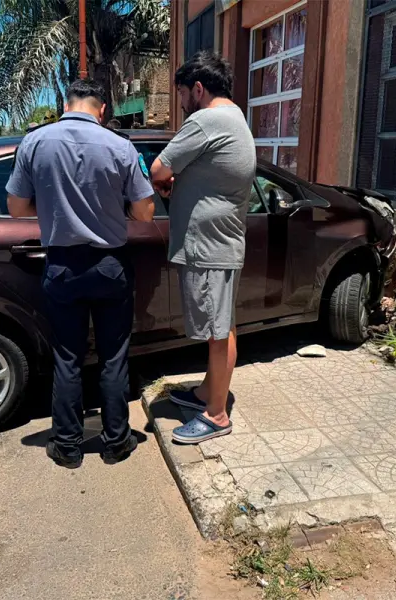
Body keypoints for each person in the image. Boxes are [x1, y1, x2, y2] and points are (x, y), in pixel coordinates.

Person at [6, 79, 156, 468]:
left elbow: (17, 209)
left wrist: (56, 203)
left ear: (65, 103)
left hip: (62, 266)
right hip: (110, 266)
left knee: (68, 358)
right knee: (113, 358)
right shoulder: (122, 147)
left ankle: (68, 446)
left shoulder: (35, 143)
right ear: (102, 109)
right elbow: (144, 213)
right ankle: (116, 442)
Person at [150, 51, 256, 444]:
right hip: (223, 239)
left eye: (180, 94)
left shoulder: (206, 119)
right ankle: (206, 395)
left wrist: (165, 183)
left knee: (217, 332)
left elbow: (159, 168)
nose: (179, 103)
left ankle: (216, 415)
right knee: (222, 325)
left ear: (198, 88)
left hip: (208, 246)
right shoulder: (236, 118)